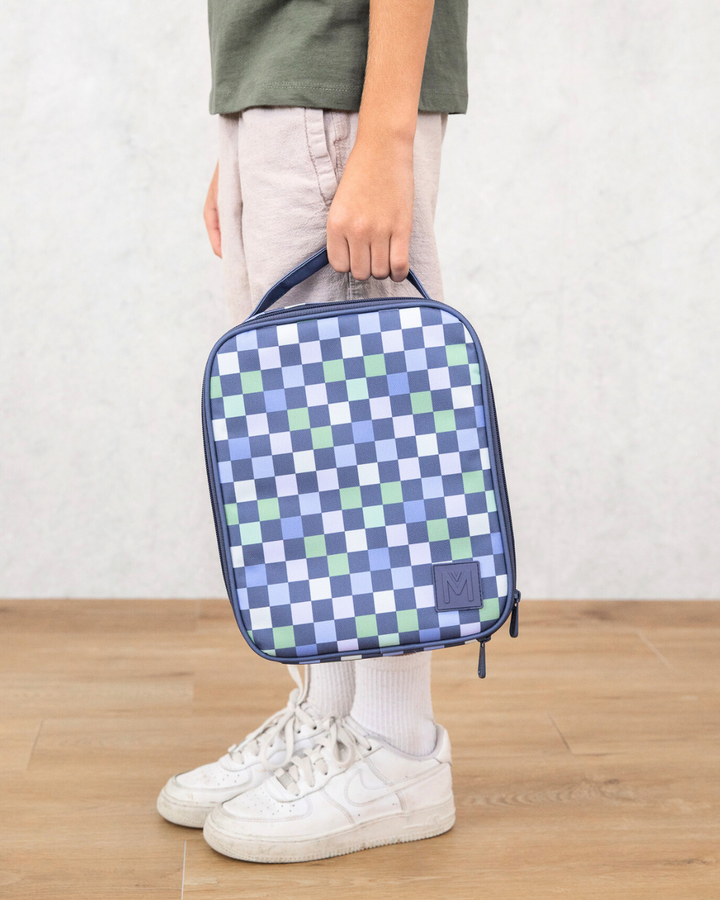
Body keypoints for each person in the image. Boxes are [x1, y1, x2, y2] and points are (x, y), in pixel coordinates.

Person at [157, 0, 469, 863]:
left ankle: (398, 743)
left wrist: (383, 138)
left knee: (368, 434)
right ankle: (330, 718)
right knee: (303, 447)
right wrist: (250, 113)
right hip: (288, 84)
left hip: (339, 82)